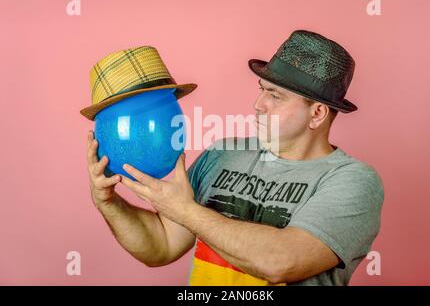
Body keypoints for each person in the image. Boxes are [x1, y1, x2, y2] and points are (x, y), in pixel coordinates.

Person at [85, 30, 384, 286]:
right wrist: (109, 204)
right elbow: (161, 245)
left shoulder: (352, 181)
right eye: (261, 90)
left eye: (275, 96)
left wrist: (185, 211)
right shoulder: (222, 154)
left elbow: (280, 261)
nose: (258, 104)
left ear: (317, 113)